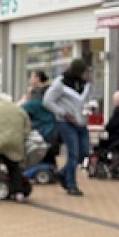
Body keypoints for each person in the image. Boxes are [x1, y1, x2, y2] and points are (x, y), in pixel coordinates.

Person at [43, 59, 91, 196]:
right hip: (66, 122)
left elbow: (84, 101)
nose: (86, 75)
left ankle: (62, 173)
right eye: (84, 72)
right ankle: (71, 185)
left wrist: (88, 109)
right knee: (73, 153)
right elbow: (47, 101)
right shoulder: (60, 84)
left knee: (84, 152)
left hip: (82, 122)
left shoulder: (86, 85)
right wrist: (63, 113)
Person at [19, 71, 58, 166]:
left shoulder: (40, 92)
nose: (30, 79)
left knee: (41, 145)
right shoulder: (40, 90)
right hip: (44, 123)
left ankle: (45, 167)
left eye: (32, 77)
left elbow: (29, 105)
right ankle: (49, 167)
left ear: (37, 78)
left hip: (42, 124)